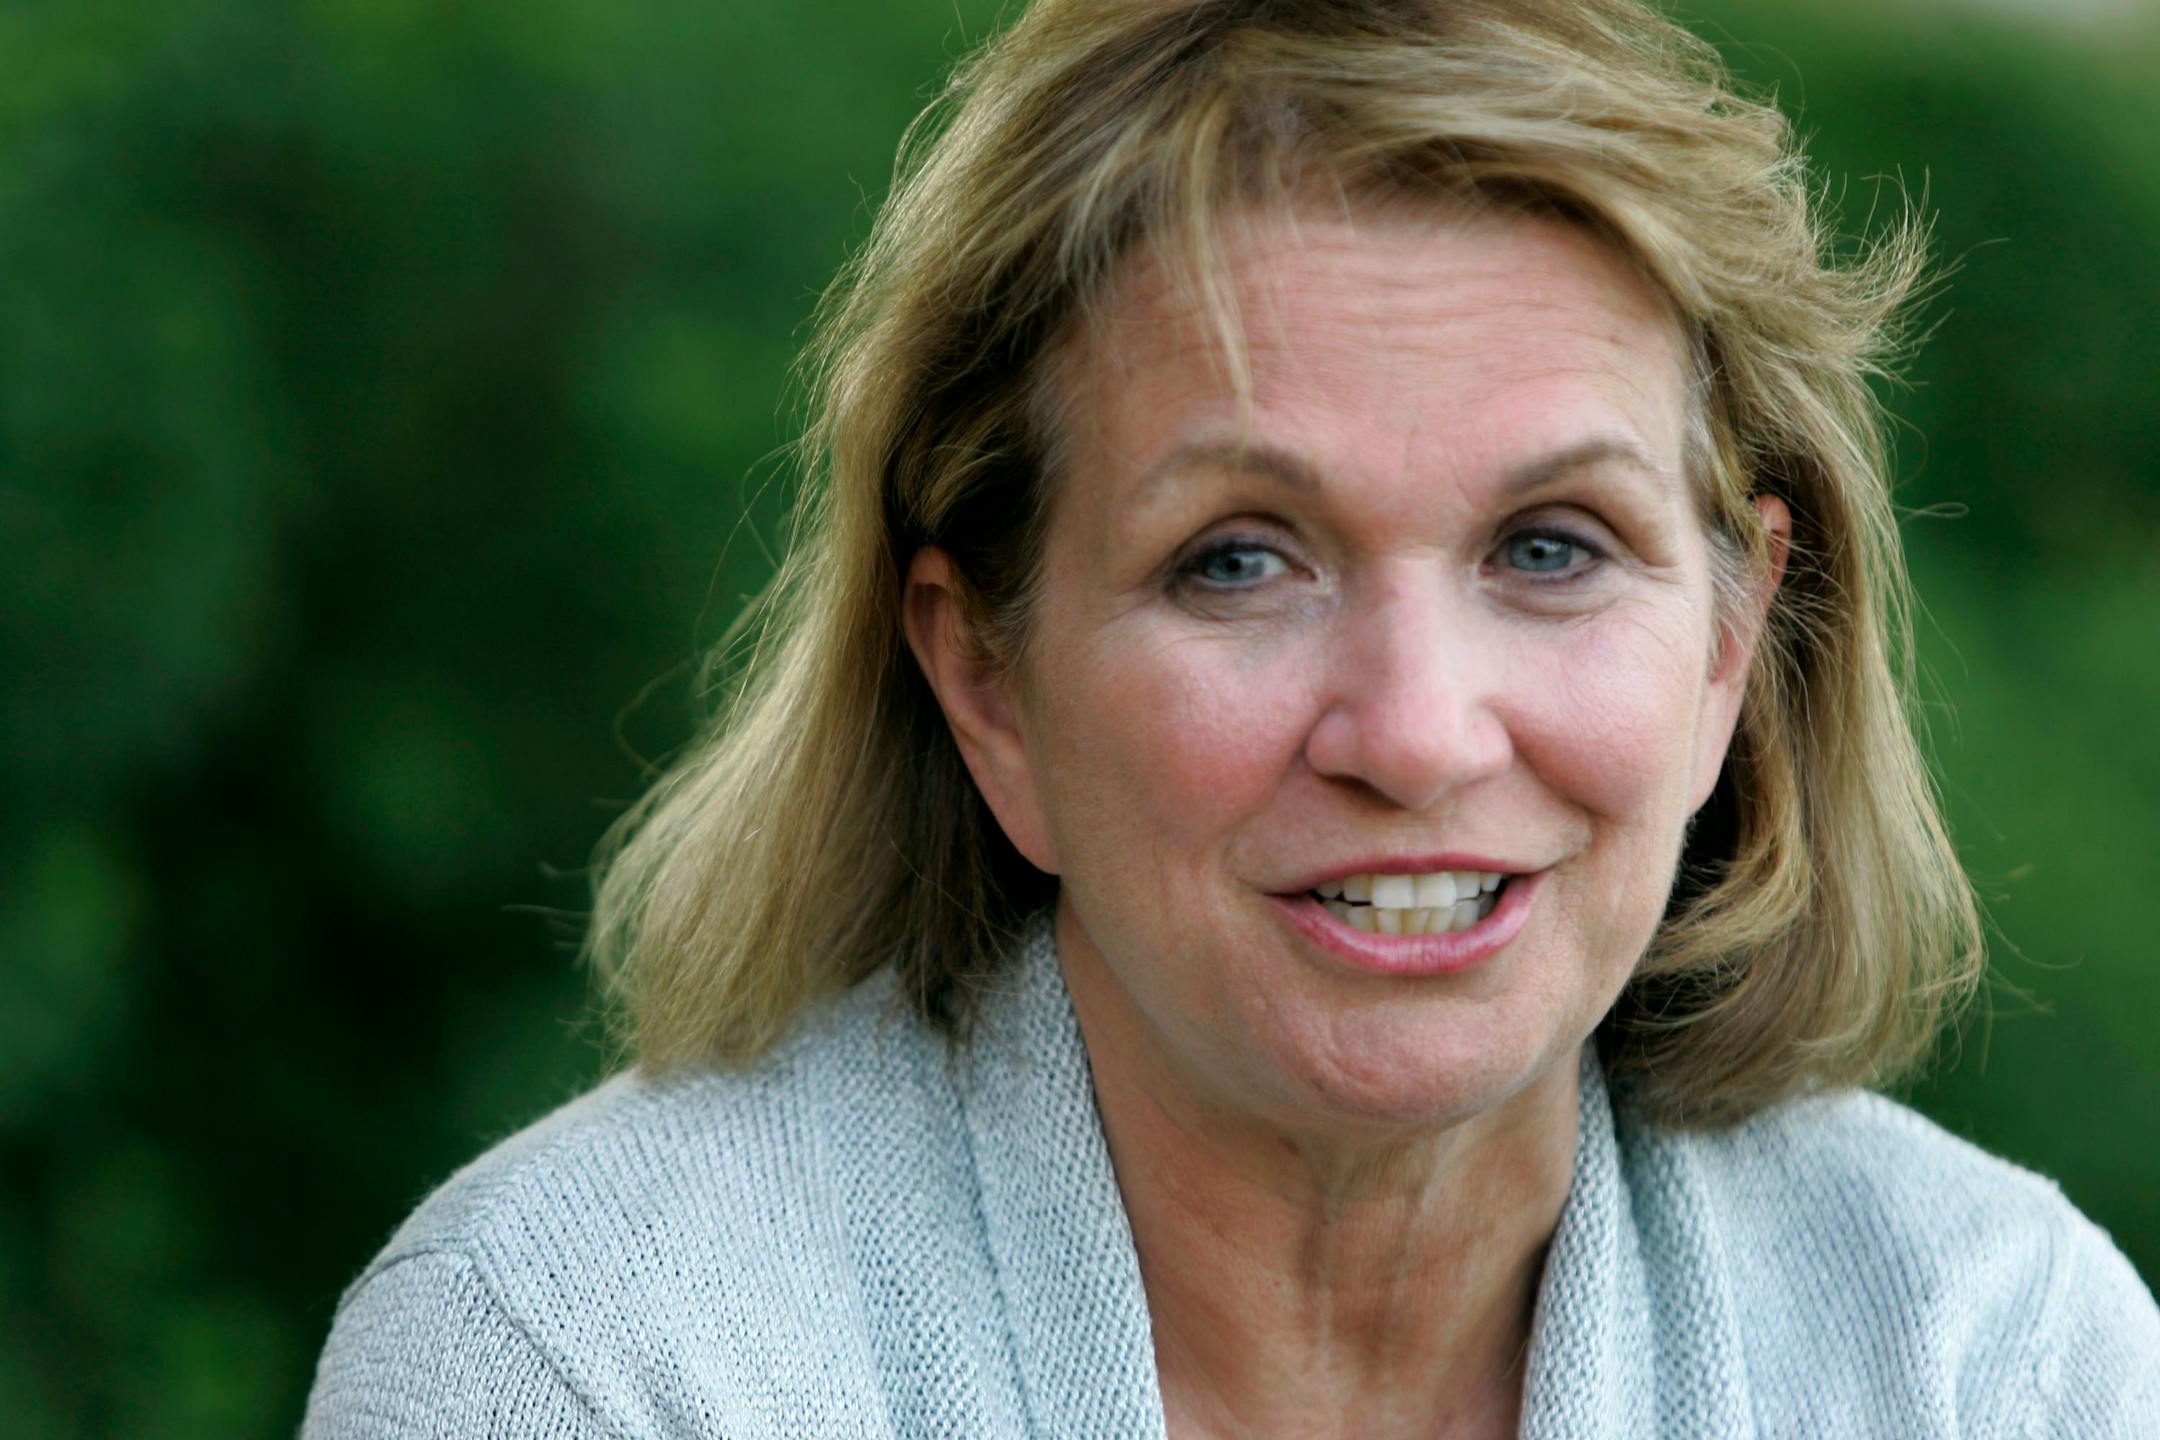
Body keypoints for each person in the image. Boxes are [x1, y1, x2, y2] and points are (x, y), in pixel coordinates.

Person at [303, 1, 2160, 1435]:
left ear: (1729, 647)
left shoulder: (1992, 1358)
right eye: (1240, 563)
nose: (1419, 735)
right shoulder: (578, 1367)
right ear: (988, 682)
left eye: (1550, 544)